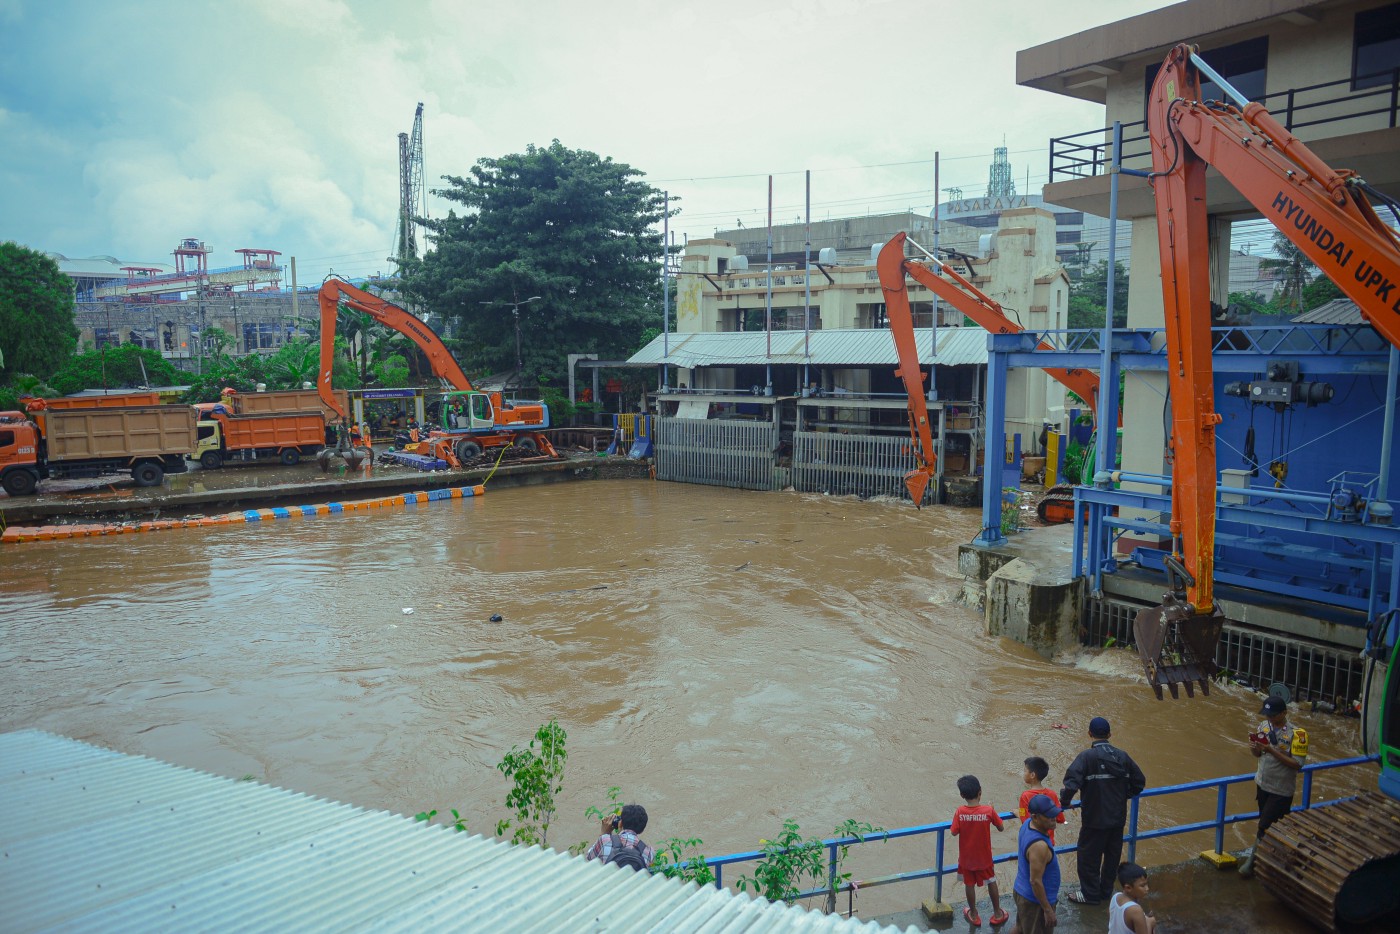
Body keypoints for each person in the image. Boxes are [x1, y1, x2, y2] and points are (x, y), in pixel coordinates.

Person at [1059, 717, 1146, 906]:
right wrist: (1123, 795)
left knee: (1088, 858)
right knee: (1112, 857)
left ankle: (1090, 895)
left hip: (1094, 819)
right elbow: (1139, 782)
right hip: (1117, 818)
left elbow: (1071, 784)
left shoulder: (1086, 757)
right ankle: (1106, 892)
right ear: (1109, 735)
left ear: (1090, 733)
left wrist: (1064, 802)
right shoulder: (1122, 756)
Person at [1239, 696, 1307, 878]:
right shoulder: (1263, 727)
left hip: (1281, 790)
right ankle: (1271, 858)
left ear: (1284, 713)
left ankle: (1251, 864)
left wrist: (1271, 750)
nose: (1269, 718)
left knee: (1264, 825)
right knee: (1269, 825)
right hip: (1262, 784)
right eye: (1267, 714)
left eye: (1273, 715)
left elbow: (1297, 764)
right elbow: (1257, 754)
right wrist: (1254, 747)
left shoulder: (1298, 735)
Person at [951, 775, 1008, 926]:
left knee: (969, 885)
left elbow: (954, 832)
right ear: (980, 792)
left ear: (962, 795)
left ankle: (974, 914)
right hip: (985, 859)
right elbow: (1001, 828)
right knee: (991, 882)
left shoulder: (959, 811)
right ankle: (997, 913)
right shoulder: (988, 810)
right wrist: (991, 811)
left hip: (966, 860)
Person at [1012, 793, 1061, 934]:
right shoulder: (1039, 846)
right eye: (1049, 816)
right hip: (1035, 902)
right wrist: (1047, 910)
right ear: (1035, 817)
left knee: (1020, 928)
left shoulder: (1027, 824)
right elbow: (1035, 881)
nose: (1054, 819)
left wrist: (1018, 813)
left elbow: (1023, 816)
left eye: (1054, 814)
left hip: (1022, 891)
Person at [583, 803, 654, 871]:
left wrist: (604, 833)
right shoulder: (649, 851)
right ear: (642, 830)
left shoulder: (605, 840)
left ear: (620, 823)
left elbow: (587, 863)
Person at [1017, 757, 1066, 845]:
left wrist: (1018, 813)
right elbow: (1061, 819)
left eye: (1025, 771)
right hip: (1049, 843)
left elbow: (1025, 821)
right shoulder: (1052, 794)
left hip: (1034, 843)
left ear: (1032, 775)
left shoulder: (1025, 796)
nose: (1023, 774)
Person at [1108, 862, 1156, 934]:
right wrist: (1150, 923)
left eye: (1147, 884)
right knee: (1152, 921)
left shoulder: (1115, 897)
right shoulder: (1136, 910)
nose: (1147, 888)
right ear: (1128, 888)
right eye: (1143, 886)